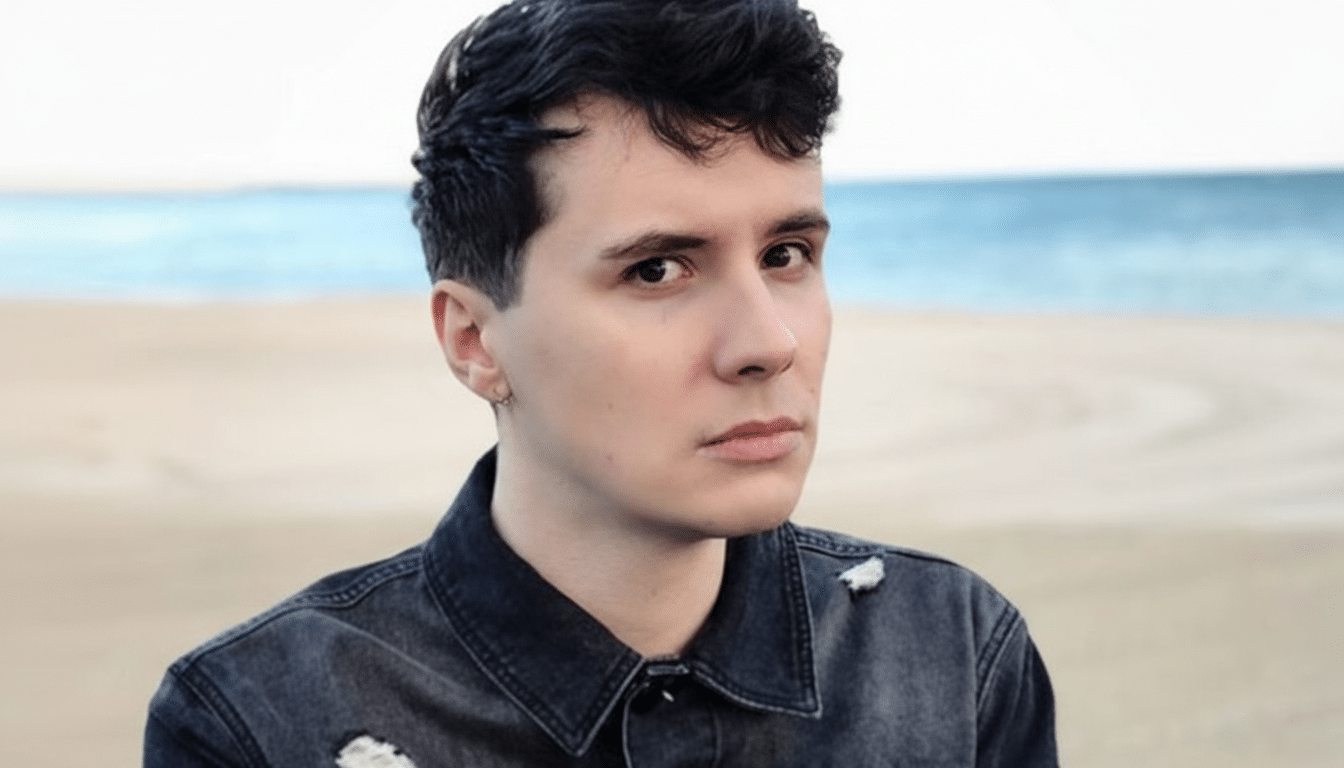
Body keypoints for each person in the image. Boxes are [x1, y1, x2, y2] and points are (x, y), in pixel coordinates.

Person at [144, 0, 1057, 765]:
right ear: (474, 340)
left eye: (787, 254)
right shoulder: (262, 722)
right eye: (658, 270)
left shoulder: (952, 654)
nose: (770, 343)